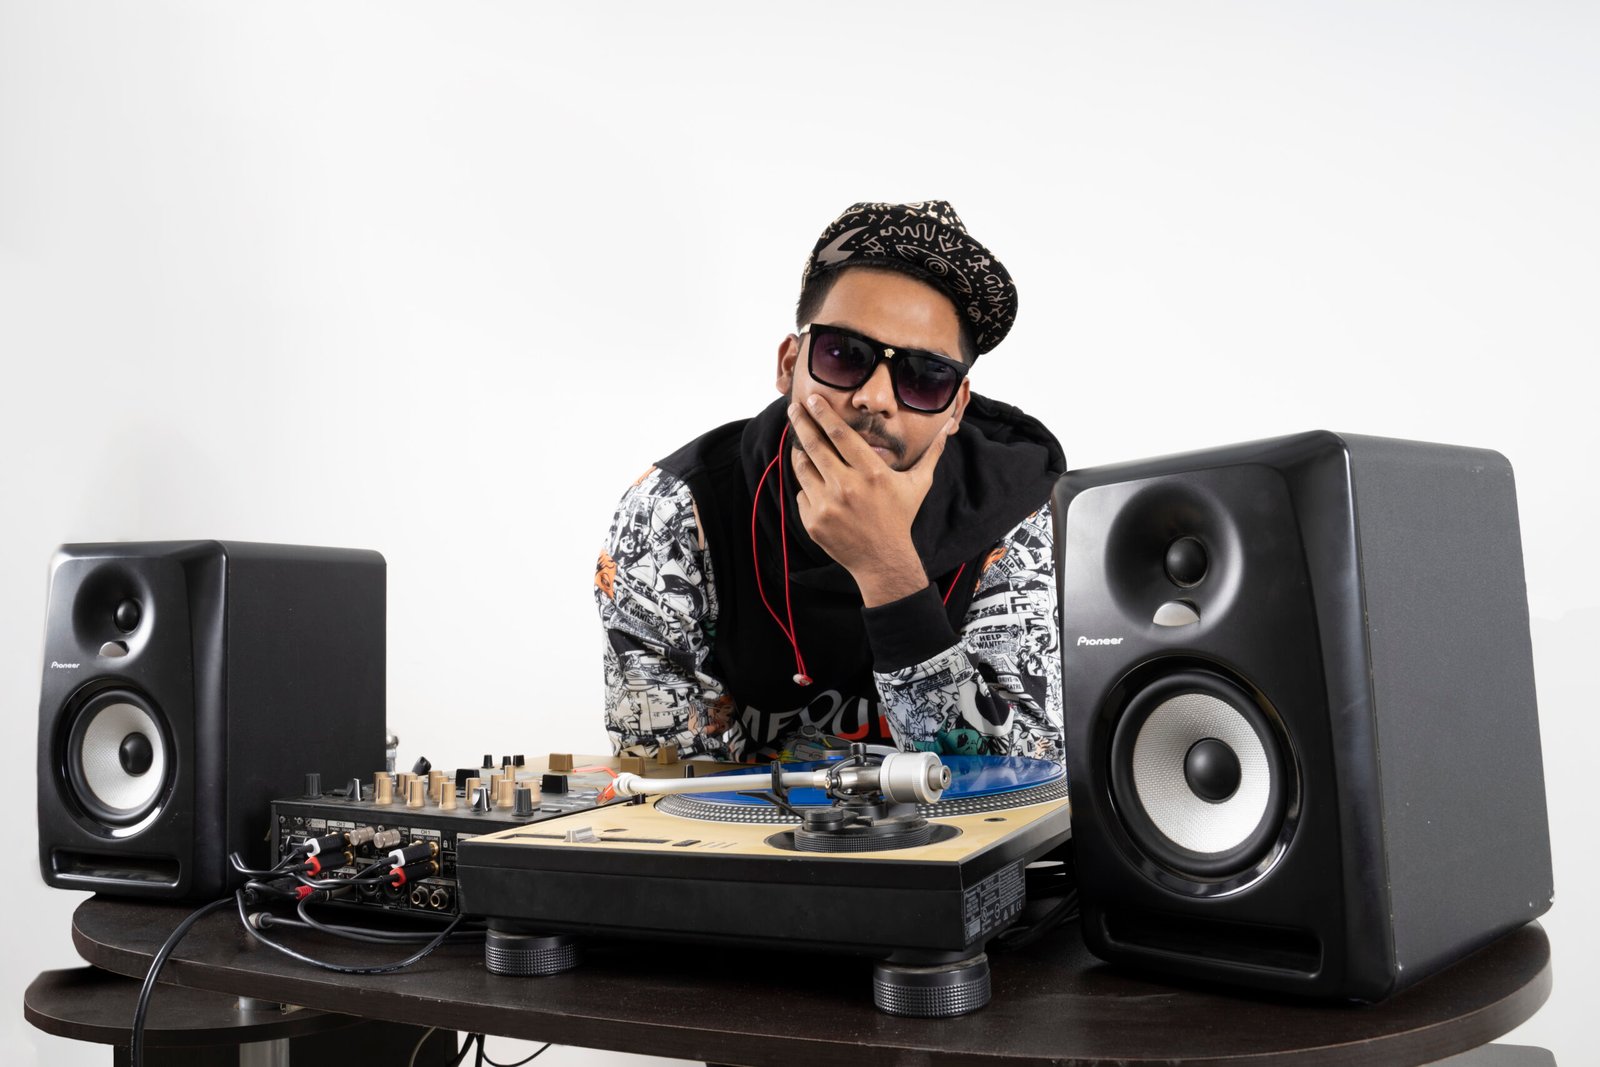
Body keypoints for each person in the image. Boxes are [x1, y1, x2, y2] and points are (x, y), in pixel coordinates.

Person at [595, 201, 1065, 764]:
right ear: (789, 364)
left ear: (957, 407)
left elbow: (1022, 777)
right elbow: (669, 782)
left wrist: (887, 568)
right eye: (844, 355)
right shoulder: (674, 513)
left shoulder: (1018, 516)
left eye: (926, 376)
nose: (875, 398)